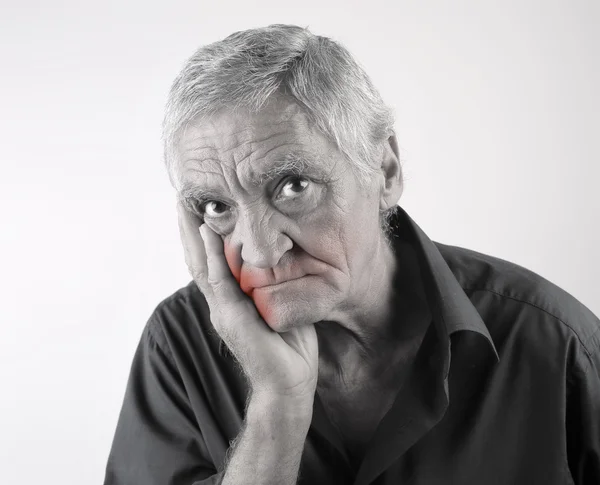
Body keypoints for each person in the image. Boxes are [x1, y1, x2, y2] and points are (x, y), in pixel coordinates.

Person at [103, 24, 600, 485]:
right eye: (217, 206)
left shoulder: (554, 344)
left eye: (292, 186)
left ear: (384, 171)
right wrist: (278, 406)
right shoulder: (179, 343)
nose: (259, 251)